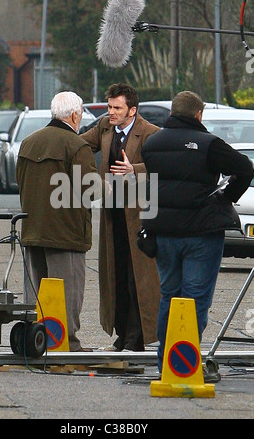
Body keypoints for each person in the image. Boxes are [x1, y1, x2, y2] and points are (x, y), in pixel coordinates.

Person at [141, 90, 254, 371]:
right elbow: (245, 168)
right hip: (200, 234)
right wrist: (228, 196)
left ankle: (165, 362)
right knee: (195, 299)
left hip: (163, 232)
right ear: (198, 114)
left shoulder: (152, 143)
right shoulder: (207, 144)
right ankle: (186, 363)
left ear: (171, 113)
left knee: (169, 294)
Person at [16, 91, 99, 352]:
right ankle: (68, 343)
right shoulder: (76, 146)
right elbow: (91, 190)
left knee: (37, 294)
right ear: (74, 115)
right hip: (66, 234)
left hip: (33, 230)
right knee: (68, 293)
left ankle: (38, 341)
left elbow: (20, 181)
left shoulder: (28, 142)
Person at [81, 83, 161, 351]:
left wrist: (134, 169)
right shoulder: (105, 126)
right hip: (113, 216)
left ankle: (135, 338)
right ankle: (122, 333)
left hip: (139, 218)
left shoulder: (150, 133)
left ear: (133, 110)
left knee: (137, 278)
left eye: (117, 108)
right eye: (109, 106)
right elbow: (80, 145)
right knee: (115, 275)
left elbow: (161, 166)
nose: (111, 112)